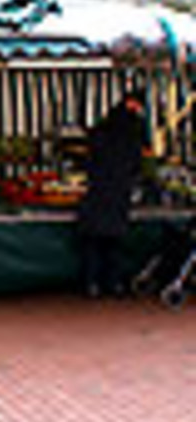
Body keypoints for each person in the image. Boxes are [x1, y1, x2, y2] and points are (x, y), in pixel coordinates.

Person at [77, 91, 146, 298]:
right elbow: (137, 163)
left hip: (98, 190)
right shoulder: (133, 130)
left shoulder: (103, 128)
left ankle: (92, 284)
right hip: (118, 191)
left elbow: (89, 158)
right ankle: (113, 284)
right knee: (113, 242)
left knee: (93, 242)